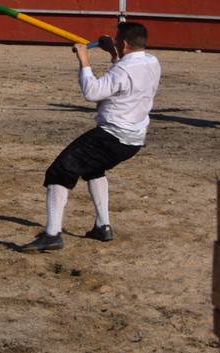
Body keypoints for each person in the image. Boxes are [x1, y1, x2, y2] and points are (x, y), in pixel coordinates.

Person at [19, 22, 161, 253]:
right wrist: (114, 54)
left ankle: (52, 234)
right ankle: (102, 226)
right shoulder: (153, 62)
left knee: (60, 171)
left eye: (117, 41)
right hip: (133, 140)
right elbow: (126, 77)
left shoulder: (123, 71)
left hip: (112, 135)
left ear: (124, 44)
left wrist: (84, 60)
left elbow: (92, 92)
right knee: (93, 169)